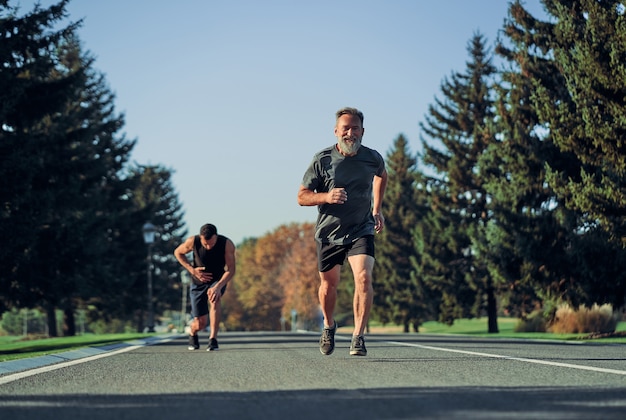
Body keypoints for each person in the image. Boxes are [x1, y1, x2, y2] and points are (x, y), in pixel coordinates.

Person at [297, 107, 387, 356]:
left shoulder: (372, 158)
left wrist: (377, 209)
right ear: (336, 131)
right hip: (328, 232)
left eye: (355, 128)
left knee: (364, 278)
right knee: (328, 286)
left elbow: (382, 175)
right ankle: (328, 324)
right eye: (345, 128)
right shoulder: (322, 160)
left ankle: (358, 336)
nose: (350, 133)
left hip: (361, 229)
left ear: (363, 131)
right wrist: (327, 195)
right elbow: (301, 197)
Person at [174, 223, 236, 351]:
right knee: (201, 322)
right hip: (197, 283)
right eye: (205, 244)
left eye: (211, 244)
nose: (208, 247)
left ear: (216, 237)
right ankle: (193, 332)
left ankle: (213, 339)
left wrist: (218, 286)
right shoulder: (193, 241)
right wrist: (192, 270)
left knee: (215, 299)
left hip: (218, 280)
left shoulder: (226, 244)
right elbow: (178, 253)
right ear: (200, 237)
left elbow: (231, 269)